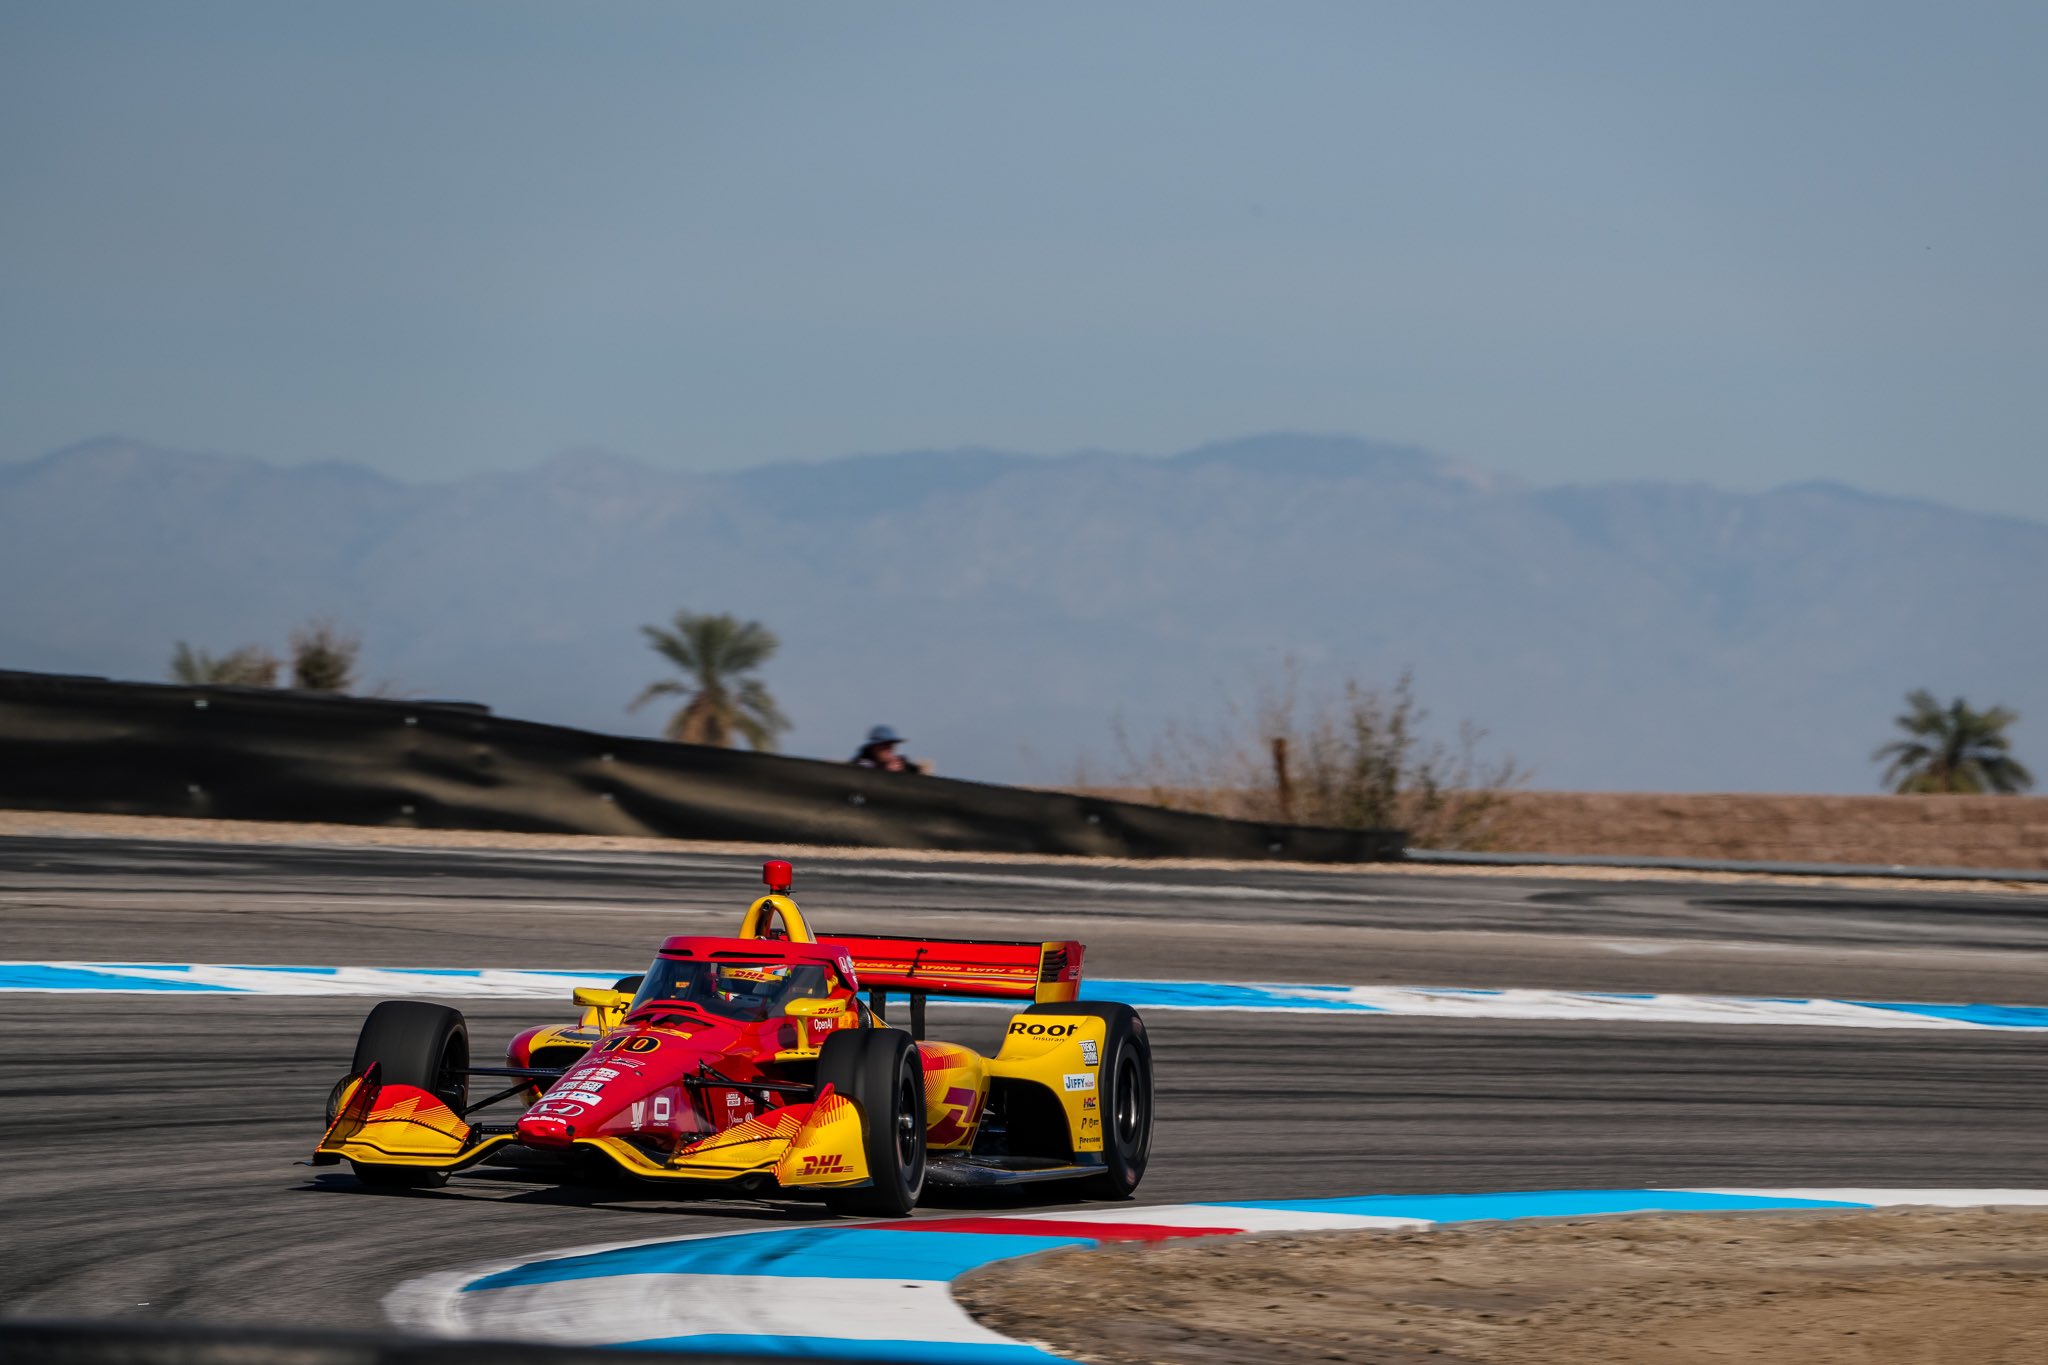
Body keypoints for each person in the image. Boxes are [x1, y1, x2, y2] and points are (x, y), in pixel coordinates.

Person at [851, 724, 918, 772]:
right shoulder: (862, 762)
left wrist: (904, 769)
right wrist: (886, 771)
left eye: (891, 744)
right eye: (885, 745)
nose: (889, 749)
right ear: (874, 747)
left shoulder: (899, 762)